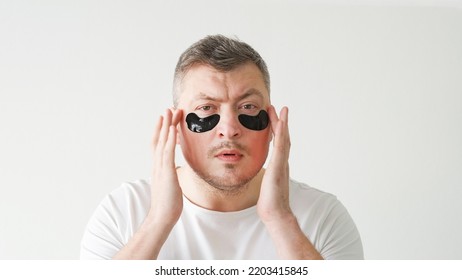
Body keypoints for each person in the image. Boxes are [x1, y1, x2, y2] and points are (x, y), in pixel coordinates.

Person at [80, 35, 363, 260]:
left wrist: (280, 220)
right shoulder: (122, 213)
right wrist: (158, 221)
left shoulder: (322, 216)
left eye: (248, 107)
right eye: (206, 108)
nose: (229, 129)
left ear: (273, 125)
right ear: (176, 127)